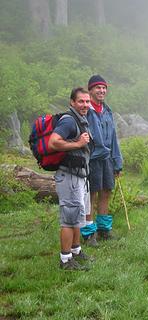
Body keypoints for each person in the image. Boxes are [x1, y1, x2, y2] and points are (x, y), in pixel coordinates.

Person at [48, 87, 92, 270]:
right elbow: (53, 142)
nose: (85, 105)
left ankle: (76, 251)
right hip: (69, 176)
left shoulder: (80, 119)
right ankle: (65, 260)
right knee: (69, 218)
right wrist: (78, 143)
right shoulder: (68, 121)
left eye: (87, 101)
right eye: (81, 101)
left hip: (79, 176)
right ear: (72, 102)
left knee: (77, 216)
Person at [80, 75, 123, 246]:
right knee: (91, 194)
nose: (102, 91)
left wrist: (117, 161)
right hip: (92, 159)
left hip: (107, 159)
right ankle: (89, 233)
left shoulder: (107, 110)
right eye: (98, 88)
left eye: (104, 88)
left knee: (106, 191)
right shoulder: (86, 110)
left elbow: (113, 137)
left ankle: (104, 230)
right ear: (90, 90)